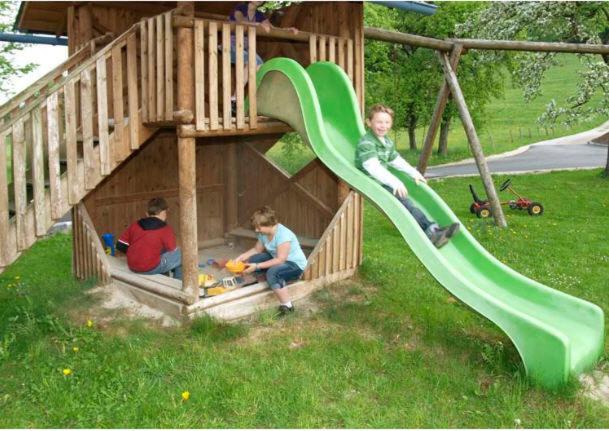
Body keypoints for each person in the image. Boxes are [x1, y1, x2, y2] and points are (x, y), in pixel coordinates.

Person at [355, 104, 460, 248]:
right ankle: (431, 232)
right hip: (370, 182)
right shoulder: (366, 143)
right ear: (369, 122)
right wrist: (395, 182)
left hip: (381, 181)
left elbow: (396, 161)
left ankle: (433, 229)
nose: (383, 126)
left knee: (407, 202)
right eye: (379, 122)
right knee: (405, 204)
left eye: (387, 122)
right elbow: (373, 167)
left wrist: (414, 173)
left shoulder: (386, 142)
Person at [234, 206, 307, 315]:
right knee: (254, 259)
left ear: (269, 224)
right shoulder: (263, 234)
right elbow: (257, 249)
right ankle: (264, 282)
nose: (256, 230)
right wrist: (242, 256)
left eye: (259, 228)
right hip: (277, 259)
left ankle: (287, 306)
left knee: (273, 272)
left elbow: (280, 260)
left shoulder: (283, 235)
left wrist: (257, 266)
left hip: (294, 265)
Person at [228, 2, 298, 113]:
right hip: (230, 47)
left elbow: (272, 29)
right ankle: (235, 99)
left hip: (245, 50)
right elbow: (240, 21)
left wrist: (287, 30)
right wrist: (257, 25)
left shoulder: (259, 15)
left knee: (260, 66)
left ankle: (243, 100)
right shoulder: (240, 8)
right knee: (253, 61)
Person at [116, 197, 182, 279]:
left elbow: (120, 245)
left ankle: (163, 275)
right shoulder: (165, 228)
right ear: (163, 212)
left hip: (132, 266)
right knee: (182, 255)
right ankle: (177, 283)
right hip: (150, 268)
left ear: (147, 213)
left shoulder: (136, 224)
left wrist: (136, 254)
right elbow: (172, 250)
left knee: (159, 251)